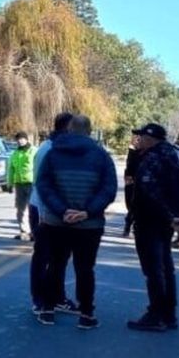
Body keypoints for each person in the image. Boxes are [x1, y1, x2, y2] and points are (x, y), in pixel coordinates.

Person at [33, 115, 118, 329]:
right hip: (89, 225)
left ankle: (47, 310)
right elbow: (108, 189)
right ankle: (87, 314)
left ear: (69, 129)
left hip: (57, 222)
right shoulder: (101, 156)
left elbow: (44, 186)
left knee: (55, 264)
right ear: (90, 131)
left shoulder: (53, 153)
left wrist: (62, 210)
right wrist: (87, 212)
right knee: (85, 268)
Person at [125, 123, 179, 332]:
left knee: (154, 269)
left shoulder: (153, 157)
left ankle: (156, 314)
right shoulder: (171, 153)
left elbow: (149, 190)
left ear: (150, 138)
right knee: (165, 267)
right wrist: (175, 215)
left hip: (151, 219)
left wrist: (168, 215)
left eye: (141, 136)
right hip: (165, 219)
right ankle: (169, 314)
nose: (138, 139)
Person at [27, 113, 77, 316]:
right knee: (43, 256)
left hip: (62, 211)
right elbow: (42, 185)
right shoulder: (47, 149)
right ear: (67, 129)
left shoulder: (65, 149)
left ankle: (57, 297)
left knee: (61, 257)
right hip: (43, 209)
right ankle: (39, 299)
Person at [8, 132, 35, 241]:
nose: (19, 141)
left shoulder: (33, 151)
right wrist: (9, 183)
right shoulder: (15, 153)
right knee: (20, 209)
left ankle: (34, 231)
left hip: (32, 183)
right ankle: (23, 231)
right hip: (19, 184)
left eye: (22, 139)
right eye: (18, 139)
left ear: (26, 139)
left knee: (33, 208)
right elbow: (11, 169)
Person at [122, 134, 142, 238]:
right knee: (130, 206)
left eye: (139, 139)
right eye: (135, 139)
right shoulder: (133, 152)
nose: (136, 141)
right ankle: (128, 227)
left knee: (135, 207)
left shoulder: (146, 153)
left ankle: (131, 227)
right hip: (132, 182)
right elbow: (129, 167)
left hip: (140, 184)